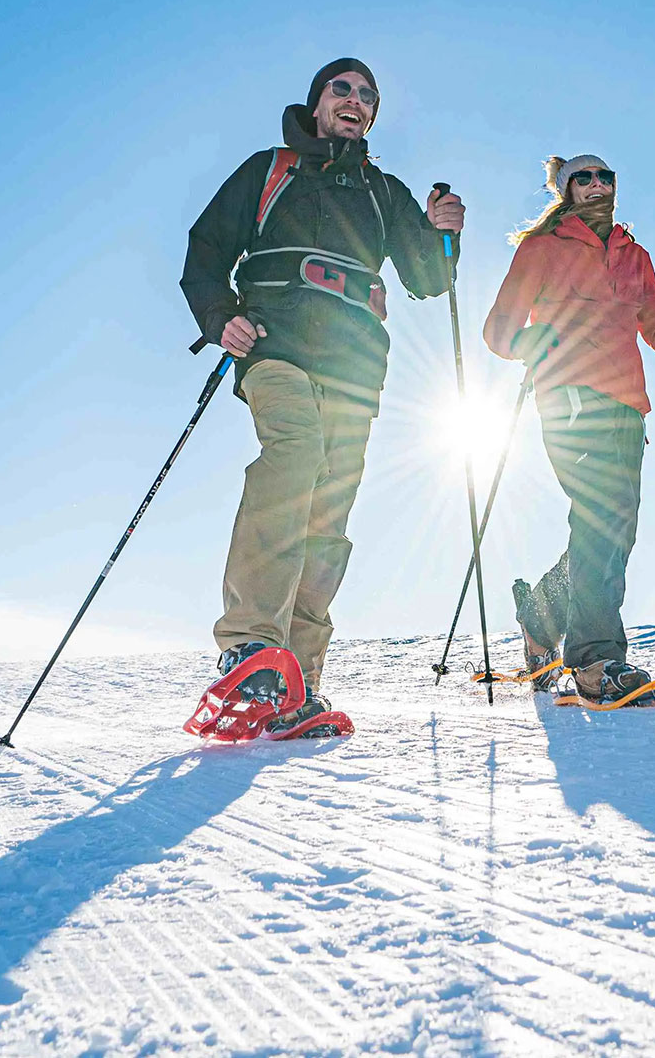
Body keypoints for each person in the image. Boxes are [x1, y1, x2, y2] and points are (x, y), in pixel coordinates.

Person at [181, 58, 465, 735]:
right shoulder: (270, 170)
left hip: (355, 365)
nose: (356, 101)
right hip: (275, 343)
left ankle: (296, 678)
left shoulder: (381, 190)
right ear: (317, 104)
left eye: (368, 96)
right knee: (294, 457)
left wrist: (442, 233)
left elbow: (428, 280)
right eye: (343, 89)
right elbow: (207, 248)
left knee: (329, 513)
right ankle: (249, 645)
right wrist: (221, 317)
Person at [481, 155, 655, 704]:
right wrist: (527, 343)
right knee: (602, 521)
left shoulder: (633, 256)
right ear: (565, 190)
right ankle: (596, 662)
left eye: (606, 177)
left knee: (612, 532)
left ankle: (539, 620)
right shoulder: (542, 249)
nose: (598, 185)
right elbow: (498, 330)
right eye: (584, 178)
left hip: (627, 409)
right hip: (569, 398)